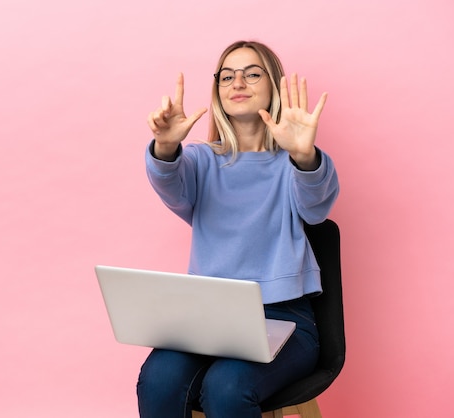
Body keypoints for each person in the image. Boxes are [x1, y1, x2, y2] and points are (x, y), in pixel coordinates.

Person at [138, 40, 339, 418]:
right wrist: (165, 148)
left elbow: (316, 209)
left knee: (227, 387)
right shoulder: (199, 161)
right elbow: (169, 183)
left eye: (252, 73)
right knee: (158, 380)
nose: (237, 82)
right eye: (226, 76)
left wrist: (303, 156)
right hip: (206, 320)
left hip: (284, 319)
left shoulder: (294, 162)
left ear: (273, 86)